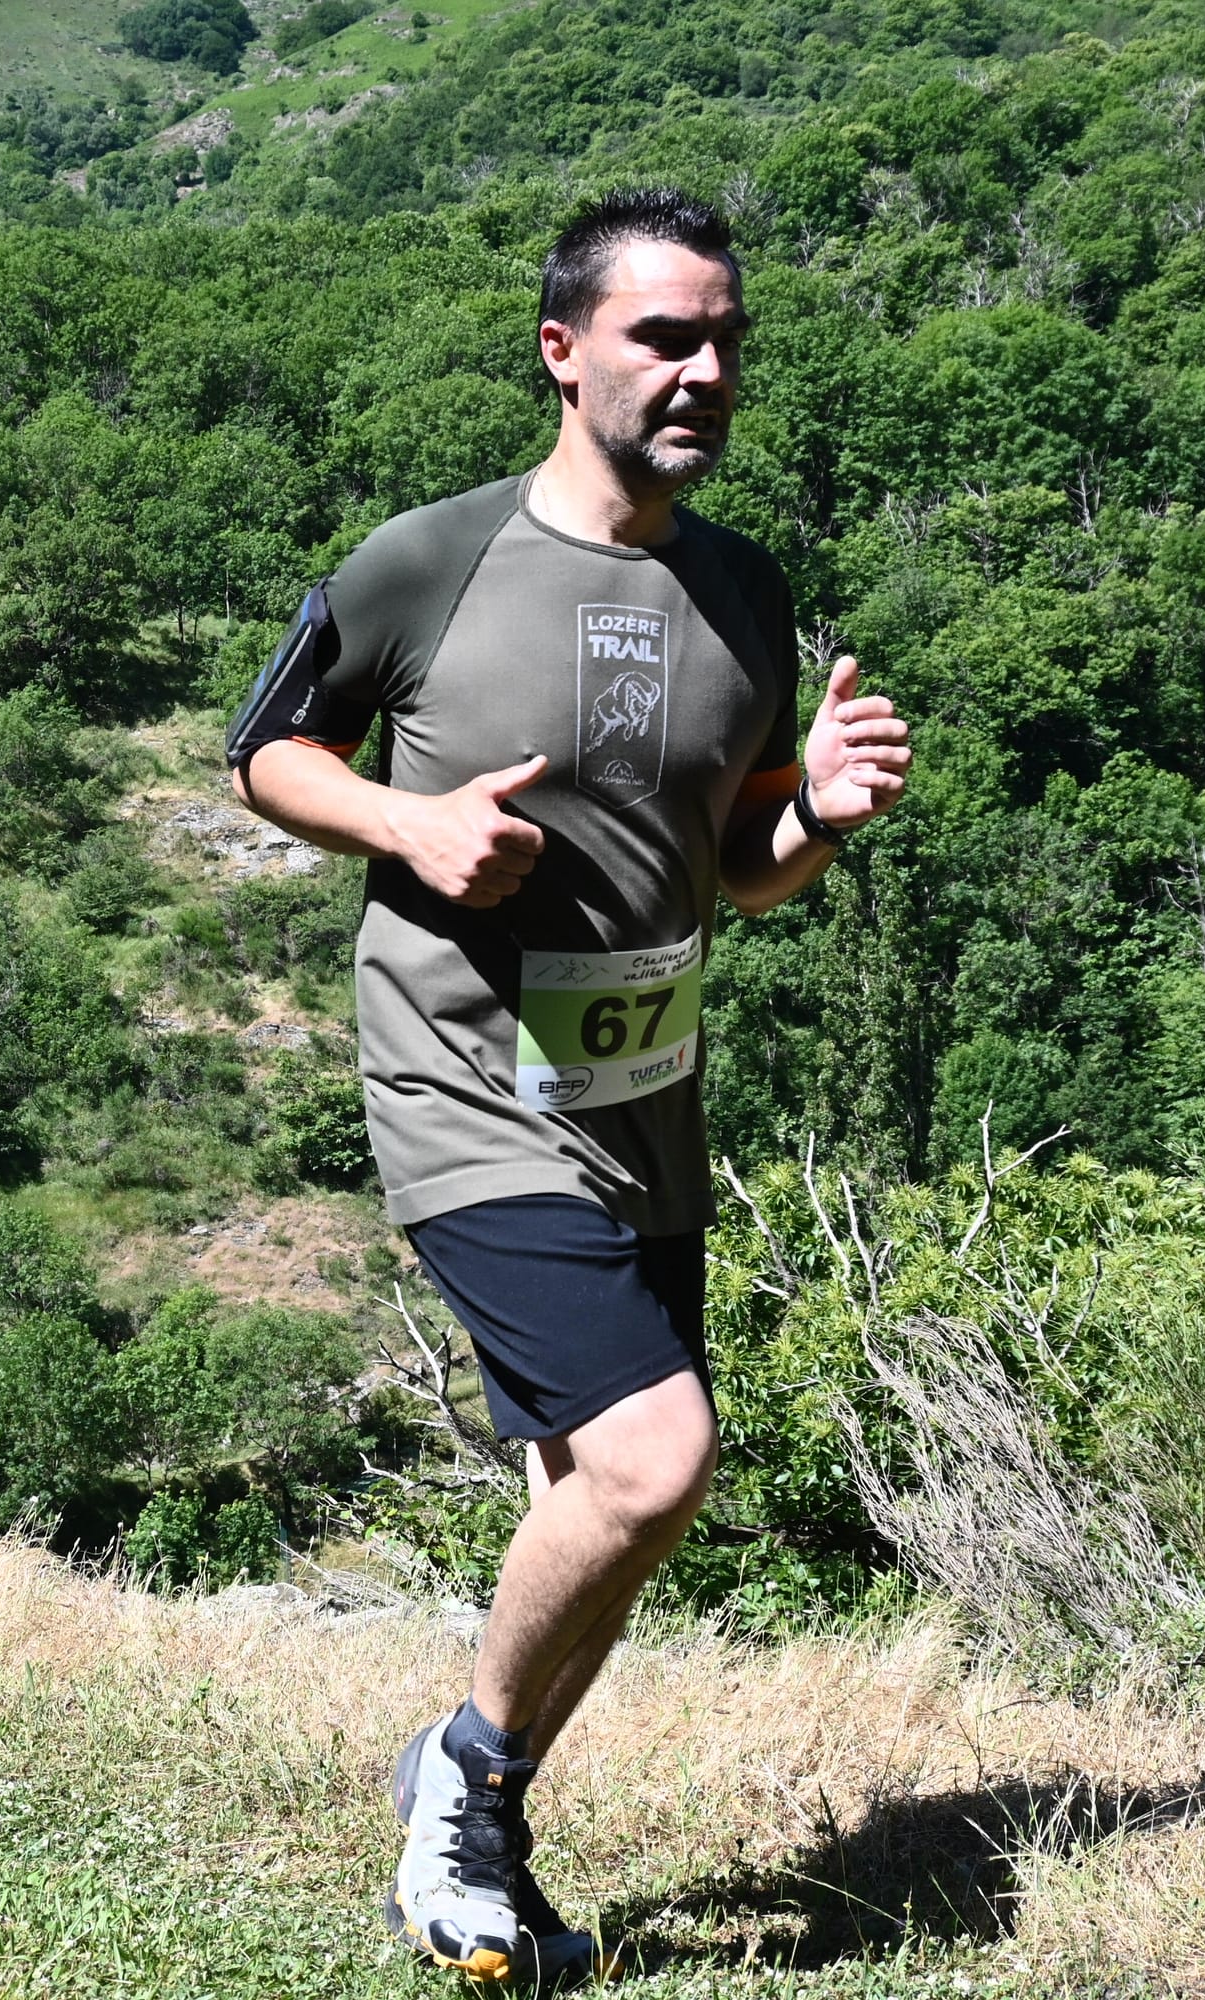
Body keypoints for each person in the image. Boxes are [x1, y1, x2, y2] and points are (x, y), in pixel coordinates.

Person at [224, 187, 910, 1984]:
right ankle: (463, 1794)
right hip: (462, 1085)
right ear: (564, 350)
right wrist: (407, 822)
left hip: (644, 1102)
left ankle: (484, 1811)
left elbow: (739, 860)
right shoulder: (426, 561)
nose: (700, 370)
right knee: (656, 1458)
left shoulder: (744, 588)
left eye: (723, 340)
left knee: (589, 1506)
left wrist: (813, 817)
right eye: (661, 336)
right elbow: (264, 749)